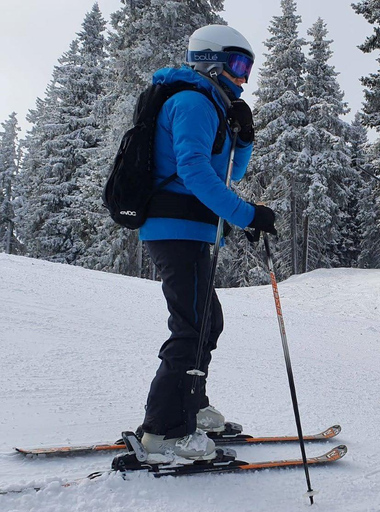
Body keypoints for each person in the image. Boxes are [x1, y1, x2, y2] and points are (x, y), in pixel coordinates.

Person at [137, 25, 276, 460]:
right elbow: (195, 172)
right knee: (191, 327)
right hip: (175, 227)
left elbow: (228, 174)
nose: (242, 77)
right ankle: (163, 431)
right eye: (237, 64)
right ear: (209, 59)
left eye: (248, 67)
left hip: (189, 228)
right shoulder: (193, 101)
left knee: (206, 322)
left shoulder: (210, 106)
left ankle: (191, 407)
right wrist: (247, 214)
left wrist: (245, 138)